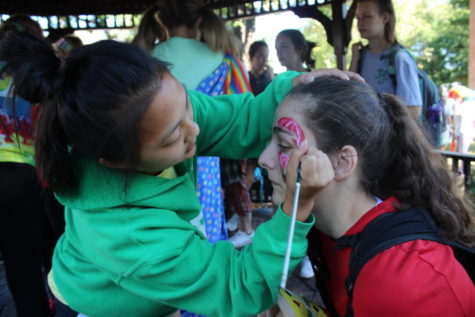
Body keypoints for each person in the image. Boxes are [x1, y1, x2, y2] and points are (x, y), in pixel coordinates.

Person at [0, 29, 360, 316]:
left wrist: (292, 88)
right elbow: (237, 286)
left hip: (146, 287)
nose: (195, 129)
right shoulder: (128, 234)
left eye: (189, 107)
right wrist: (293, 210)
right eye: (174, 136)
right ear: (116, 161)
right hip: (98, 304)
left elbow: (241, 119)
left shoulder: (160, 109)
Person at [258, 76, 475, 316]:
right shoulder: (330, 237)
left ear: (341, 162)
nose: (263, 160)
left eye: (284, 145)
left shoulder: (404, 280)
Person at [134, 0, 254, 248]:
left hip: (153, 164)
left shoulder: (142, 61)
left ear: (163, 20)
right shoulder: (225, 61)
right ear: (199, 20)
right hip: (205, 161)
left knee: (163, 233)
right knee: (204, 231)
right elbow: (245, 112)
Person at [0, 15, 59, 317]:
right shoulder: (41, 76)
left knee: (18, 262)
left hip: (4, 181)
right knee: (56, 255)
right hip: (36, 178)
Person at [349, 0, 422, 120]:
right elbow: (350, 93)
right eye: (358, 18)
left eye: (367, 16)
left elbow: (414, 110)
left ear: (385, 18)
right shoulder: (360, 56)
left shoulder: (400, 58)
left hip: (390, 135)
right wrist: (354, 59)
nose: (360, 23)